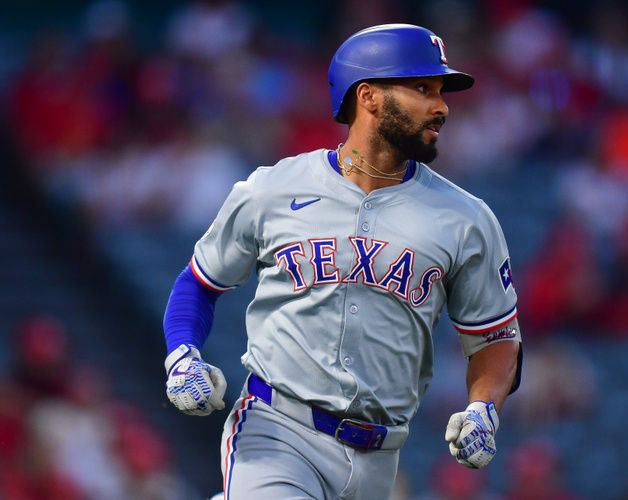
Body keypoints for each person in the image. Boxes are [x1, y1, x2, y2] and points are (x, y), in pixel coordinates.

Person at [162, 23, 522, 499]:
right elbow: (200, 282)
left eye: (440, 92)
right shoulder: (273, 189)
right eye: (421, 88)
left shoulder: (467, 219)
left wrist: (483, 408)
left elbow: (495, 338)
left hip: (381, 458)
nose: (441, 106)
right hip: (277, 432)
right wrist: (181, 355)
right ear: (368, 96)